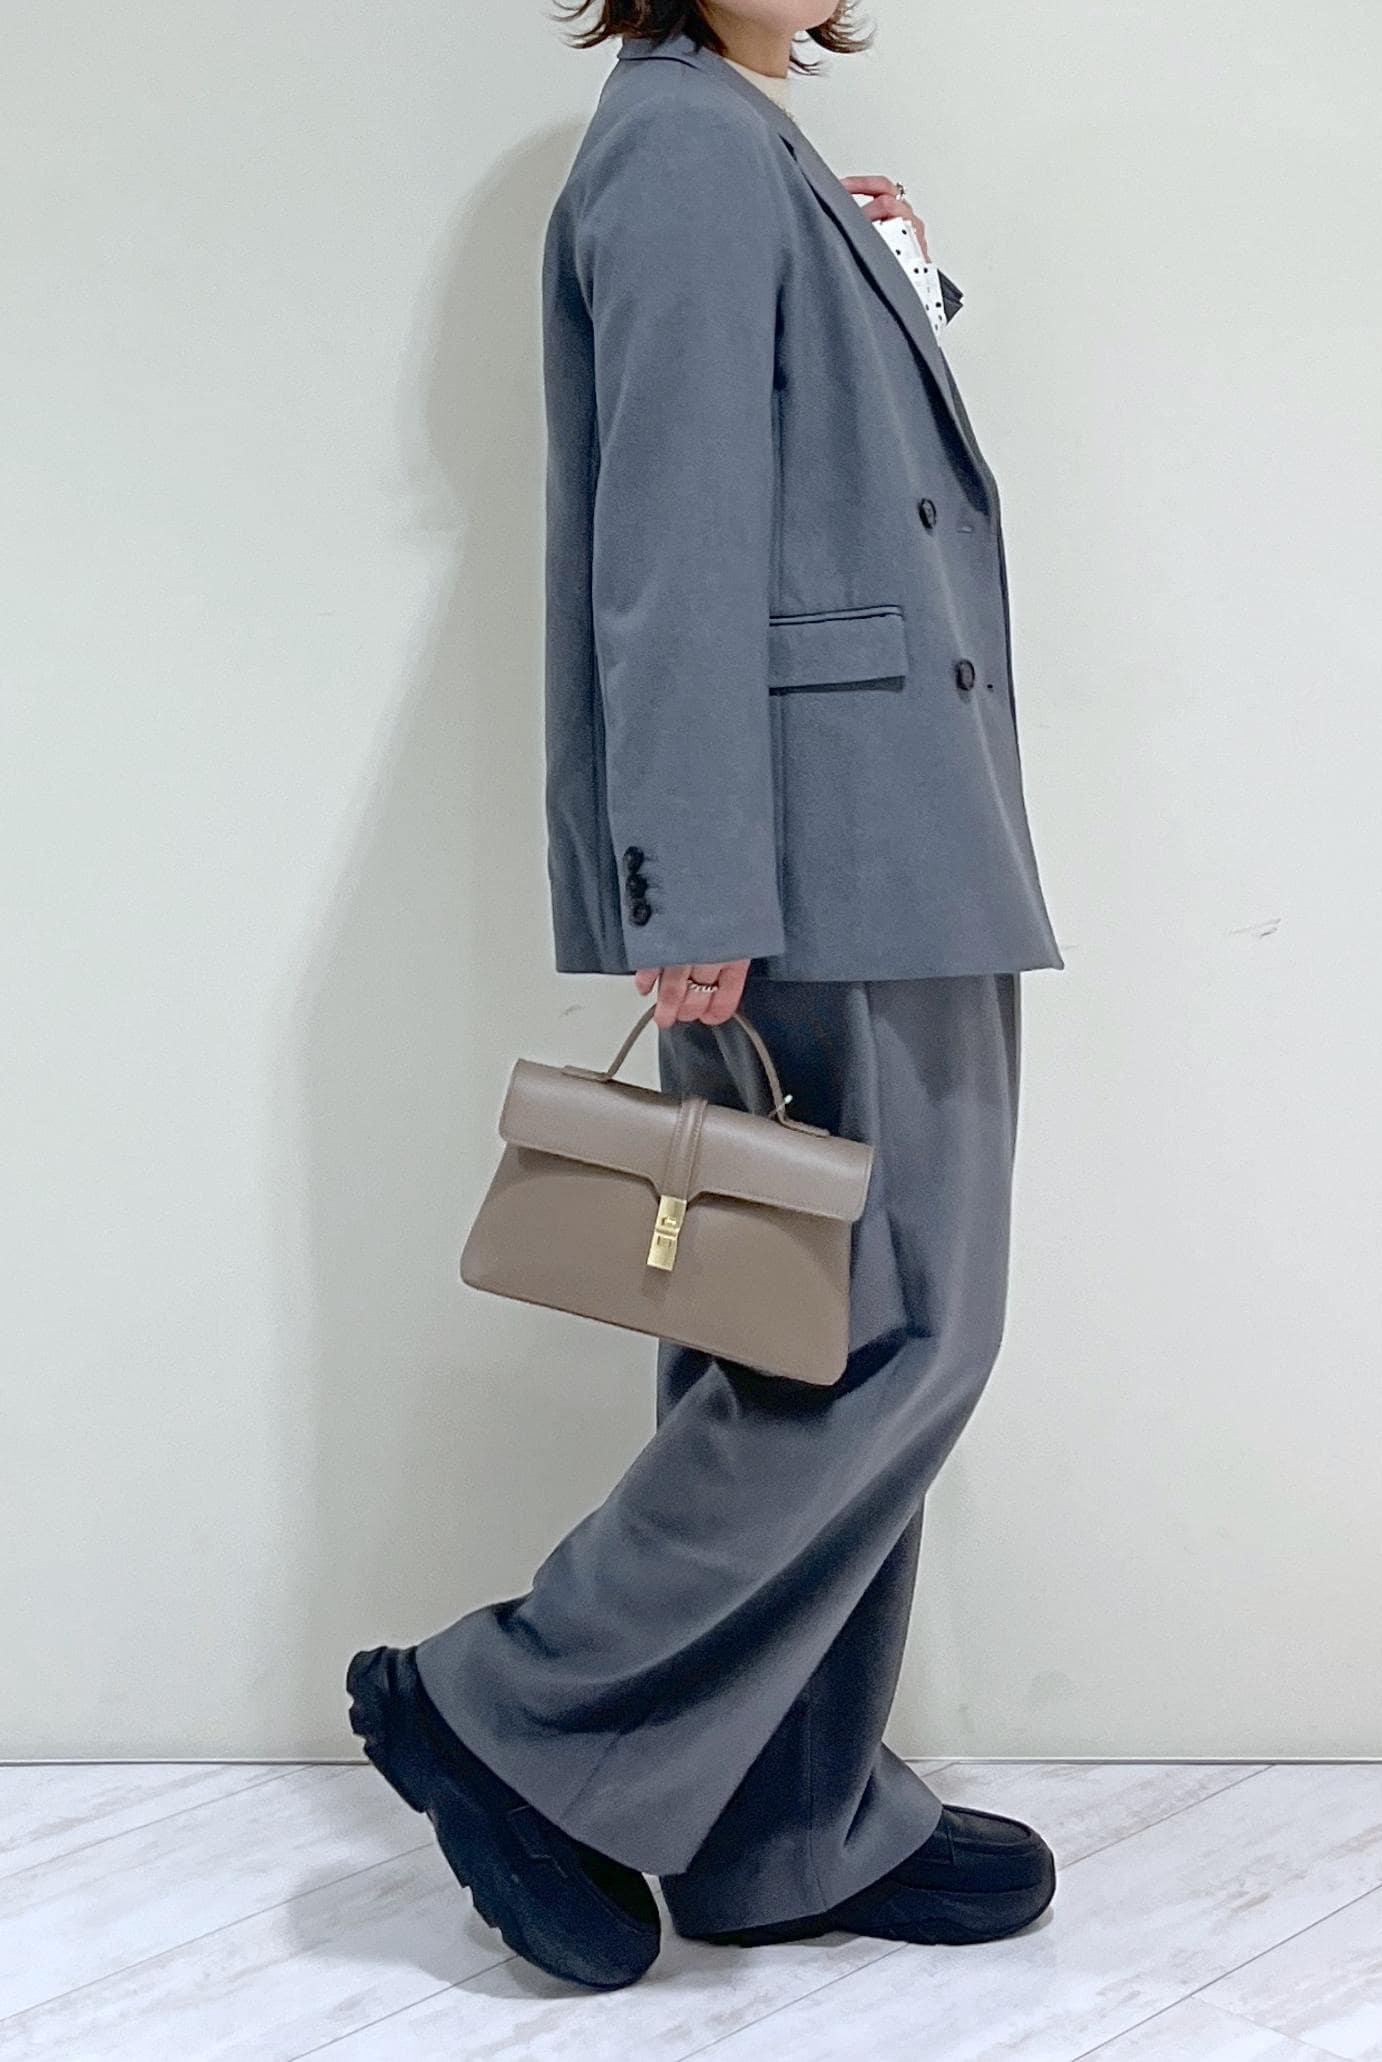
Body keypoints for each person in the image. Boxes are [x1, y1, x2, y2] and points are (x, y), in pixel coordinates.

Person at [347, 0, 1064, 1991]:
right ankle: (509, 1707)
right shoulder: (678, 142)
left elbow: (815, 475)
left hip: (877, 824)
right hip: (818, 852)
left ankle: (779, 1823)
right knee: (885, 1332)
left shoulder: (739, 138)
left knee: (803, 1329)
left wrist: (897, 282)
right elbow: (665, 543)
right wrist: (694, 877)